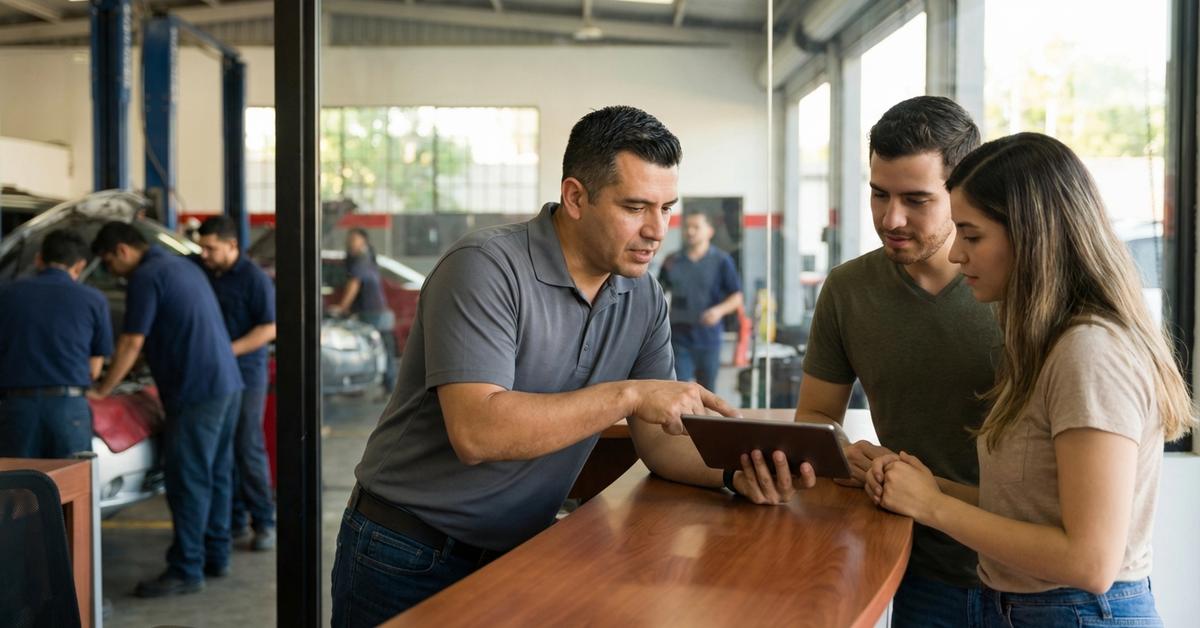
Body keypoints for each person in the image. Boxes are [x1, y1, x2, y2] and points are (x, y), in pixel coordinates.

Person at [330, 105, 738, 625]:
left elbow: (658, 443)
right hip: (406, 553)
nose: (658, 230)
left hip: (519, 551)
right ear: (575, 197)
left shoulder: (644, 296)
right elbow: (477, 432)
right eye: (635, 207)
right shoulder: (485, 268)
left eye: (667, 208)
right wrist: (630, 393)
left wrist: (735, 472)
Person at [642, 96, 999, 628]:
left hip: (1031, 573)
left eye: (916, 200)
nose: (891, 218)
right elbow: (815, 421)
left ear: (961, 191)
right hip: (920, 567)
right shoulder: (849, 290)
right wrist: (838, 456)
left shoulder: (1013, 286)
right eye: (879, 194)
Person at [868, 132, 1194, 627]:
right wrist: (913, 483)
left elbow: (1089, 561)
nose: (956, 256)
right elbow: (1027, 511)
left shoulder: (1090, 353)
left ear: (1031, 235)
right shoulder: (1051, 344)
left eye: (972, 236)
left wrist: (932, 507)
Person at [90, 221, 244, 597]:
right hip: (226, 384)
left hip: (195, 393)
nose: (112, 273)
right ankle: (215, 555)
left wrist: (102, 390)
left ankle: (186, 569)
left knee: (188, 481)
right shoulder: (180, 266)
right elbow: (169, 331)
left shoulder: (147, 276)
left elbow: (130, 341)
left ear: (122, 251)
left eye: (109, 263)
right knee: (217, 473)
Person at [196, 216, 278, 552]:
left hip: (246, 372)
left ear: (232, 245)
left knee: (247, 445)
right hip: (214, 374)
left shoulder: (254, 279)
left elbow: (269, 328)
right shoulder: (205, 273)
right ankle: (233, 520)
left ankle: (264, 522)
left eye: (210, 248)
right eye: (201, 247)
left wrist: (225, 352)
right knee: (221, 448)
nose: (204, 253)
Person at [0, 230, 112, 458]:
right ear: (80, 265)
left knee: (18, 487)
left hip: (17, 408)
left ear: (39, 259)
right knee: (73, 487)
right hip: (69, 409)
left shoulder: (6, 294)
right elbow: (95, 368)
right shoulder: (93, 299)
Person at [657, 211, 743, 391]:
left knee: (707, 393)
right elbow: (656, 294)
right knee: (677, 391)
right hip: (678, 338)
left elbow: (736, 297)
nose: (690, 231)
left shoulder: (722, 261)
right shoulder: (672, 261)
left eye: (696, 227)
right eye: (687, 227)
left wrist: (718, 311)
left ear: (709, 231)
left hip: (708, 339)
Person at [327, 227, 397, 394]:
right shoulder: (368, 258)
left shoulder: (360, 261)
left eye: (353, 240)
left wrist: (342, 307)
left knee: (365, 349)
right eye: (348, 240)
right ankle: (389, 387)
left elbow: (354, 284)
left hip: (372, 313)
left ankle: (372, 386)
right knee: (384, 349)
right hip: (379, 312)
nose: (349, 243)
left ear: (363, 241)